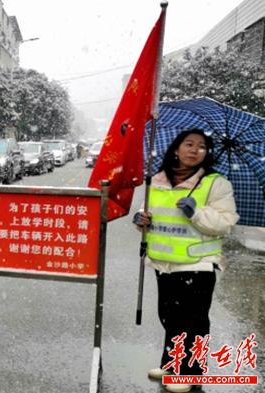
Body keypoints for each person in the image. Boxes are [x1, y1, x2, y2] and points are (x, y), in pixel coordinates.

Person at [133, 129, 239, 393]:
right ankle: (171, 365)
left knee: (193, 321)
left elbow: (225, 223)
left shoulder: (215, 183)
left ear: (207, 153)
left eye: (201, 146)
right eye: (188, 144)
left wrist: (197, 212)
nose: (194, 150)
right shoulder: (157, 180)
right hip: (164, 263)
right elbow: (150, 211)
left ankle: (190, 373)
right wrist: (140, 219)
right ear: (176, 149)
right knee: (169, 317)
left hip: (198, 263)